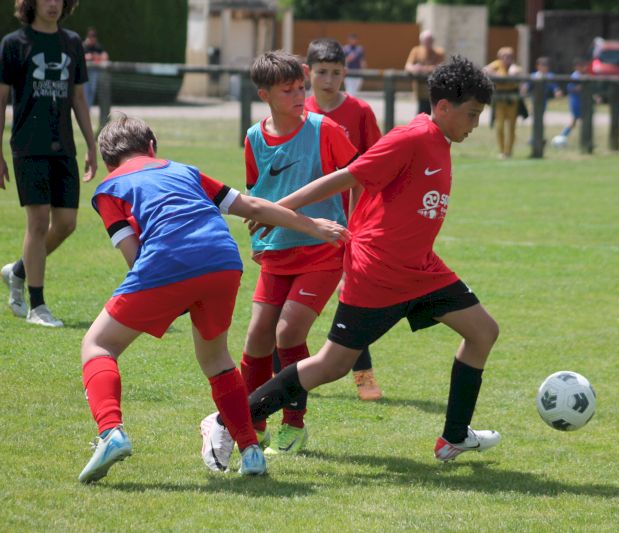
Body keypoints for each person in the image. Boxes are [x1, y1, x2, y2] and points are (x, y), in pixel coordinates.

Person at [202, 55, 501, 469]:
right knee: (332, 365)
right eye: (472, 114)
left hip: (421, 270)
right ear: (445, 107)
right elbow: (346, 177)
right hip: (379, 272)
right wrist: (279, 209)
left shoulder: (440, 139)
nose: (475, 124)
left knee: (483, 331)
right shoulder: (412, 137)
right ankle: (225, 419)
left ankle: (453, 438)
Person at [78, 114, 349, 483]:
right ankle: (251, 452)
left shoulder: (109, 187)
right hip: (223, 260)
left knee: (98, 344)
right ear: (152, 147)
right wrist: (312, 225)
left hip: (166, 262)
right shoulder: (184, 170)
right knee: (217, 359)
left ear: (110, 162)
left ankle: (111, 431)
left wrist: (170, 294)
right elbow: (252, 206)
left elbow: (134, 256)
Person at [206, 50, 360, 461]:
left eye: (300, 88)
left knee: (288, 333)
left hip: (322, 249)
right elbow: (256, 193)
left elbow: (360, 178)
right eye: (288, 91)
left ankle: (294, 423)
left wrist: (357, 231)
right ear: (265, 95)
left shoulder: (325, 130)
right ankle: (252, 423)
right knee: (257, 336)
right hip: (276, 251)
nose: (299, 96)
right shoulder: (254, 138)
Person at [0, 0, 98, 327]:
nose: (53, 3)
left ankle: (17, 271)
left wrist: (91, 144)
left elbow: (79, 97)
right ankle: (37, 306)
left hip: (63, 146)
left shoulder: (72, 43)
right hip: (28, 145)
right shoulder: (13, 44)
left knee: (66, 223)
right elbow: (1, 99)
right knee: (39, 221)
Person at [304, 38, 384, 401]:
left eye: (336, 73)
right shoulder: (298, 110)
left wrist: (360, 223)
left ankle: (364, 376)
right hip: (304, 222)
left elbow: (374, 168)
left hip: (348, 223)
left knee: (351, 299)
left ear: (345, 73)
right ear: (308, 72)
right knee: (289, 303)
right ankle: (285, 373)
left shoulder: (360, 112)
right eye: (321, 72)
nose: (328, 80)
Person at [484, 47, 524, 159]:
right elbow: (485, 69)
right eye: (504, 57)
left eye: (509, 57)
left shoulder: (515, 67)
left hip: (512, 101)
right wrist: (496, 73)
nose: (506, 59)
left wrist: (507, 74)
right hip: (499, 101)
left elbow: (515, 73)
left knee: (511, 127)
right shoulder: (496, 65)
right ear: (500, 57)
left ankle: (509, 152)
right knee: (500, 126)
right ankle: (501, 151)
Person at [404, 30, 446, 115]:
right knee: (421, 114)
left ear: (433, 41)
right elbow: (408, 66)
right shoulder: (416, 51)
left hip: (435, 92)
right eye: (426, 41)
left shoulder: (439, 52)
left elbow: (440, 68)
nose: (428, 43)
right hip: (420, 91)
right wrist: (415, 68)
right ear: (421, 41)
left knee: (434, 115)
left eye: (430, 41)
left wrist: (422, 69)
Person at [525, 56, 563, 146]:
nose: (545, 68)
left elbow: (554, 86)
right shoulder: (534, 76)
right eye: (542, 65)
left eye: (546, 66)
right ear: (538, 66)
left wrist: (557, 91)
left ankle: (538, 137)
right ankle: (535, 138)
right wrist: (524, 89)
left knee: (540, 119)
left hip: (543, 101)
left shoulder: (549, 76)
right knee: (536, 119)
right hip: (534, 101)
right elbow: (527, 87)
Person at [558, 57, 589, 142]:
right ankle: (561, 137)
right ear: (577, 67)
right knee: (578, 121)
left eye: (585, 66)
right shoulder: (575, 76)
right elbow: (570, 88)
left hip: (582, 101)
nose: (585, 68)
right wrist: (581, 87)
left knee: (575, 122)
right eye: (583, 66)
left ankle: (562, 136)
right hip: (576, 102)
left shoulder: (584, 75)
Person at [82, 26, 108, 107]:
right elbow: (79, 57)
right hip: (84, 72)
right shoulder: (83, 46)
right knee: (85, 91)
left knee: (92, 90)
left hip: (94, 72)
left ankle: (88, 108)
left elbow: (105, 56)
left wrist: (95, 56)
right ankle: (85, 108)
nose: (92, 38)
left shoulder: (97, 46)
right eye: (90, 36)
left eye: (93, 36)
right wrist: (88, 57)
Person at [342, 33, 365, 97]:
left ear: (356, 40)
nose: (353, 40)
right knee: (349, 90)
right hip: (349, 73)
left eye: (354, 39)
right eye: (351, 39)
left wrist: (363, 69)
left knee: (355, 91)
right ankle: (348, 101)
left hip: (358, 72)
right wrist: (348, 59)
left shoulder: (359, 49)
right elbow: (342, 61)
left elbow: (362, 61)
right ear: (349, 40)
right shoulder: (345, 49)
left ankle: (350, 100)